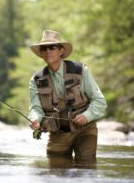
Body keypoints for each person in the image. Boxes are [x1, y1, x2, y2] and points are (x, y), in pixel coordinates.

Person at [28, 30, 107, 162]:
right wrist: (35, 120)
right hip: (58, 133)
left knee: (85, 167)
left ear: (61, 51)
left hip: (84, 130)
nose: (48, 51)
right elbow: (36, 108)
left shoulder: (80, 71)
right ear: (41, 53)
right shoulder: (36, 79)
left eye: (52, 47)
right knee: (55, 169)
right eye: (44, 48)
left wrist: (86, 117)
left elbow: (99, 101)